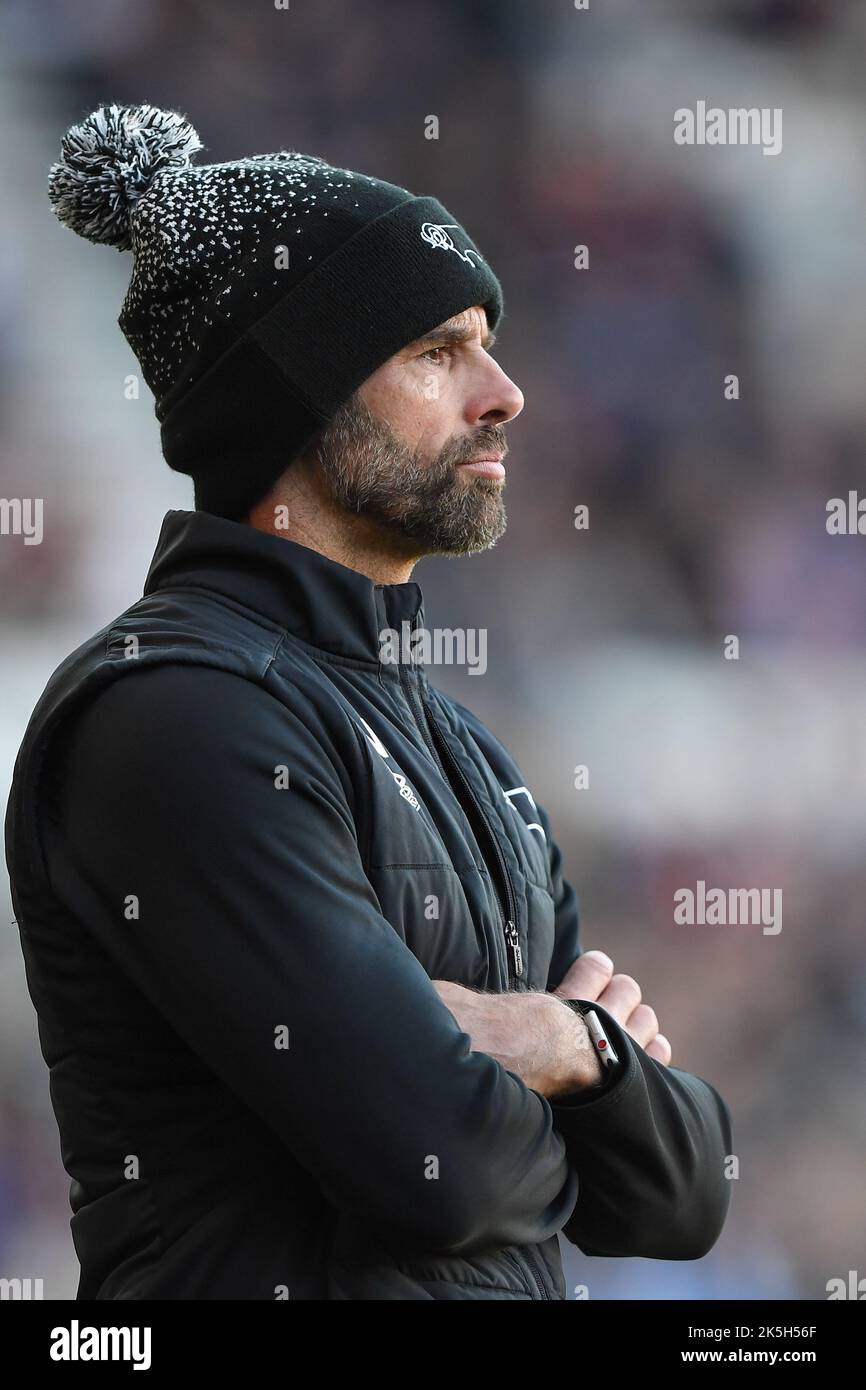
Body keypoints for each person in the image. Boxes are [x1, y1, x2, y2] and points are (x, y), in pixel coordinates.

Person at [5, 103, 733, 1300]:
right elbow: (442, 1171)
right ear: (291, 396)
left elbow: (677, 1196)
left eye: (487, 342)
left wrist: (564, 1045)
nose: (503, 393)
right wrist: (566, 1077)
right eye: (435, 352)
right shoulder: (177, 714)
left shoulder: (467, 752)